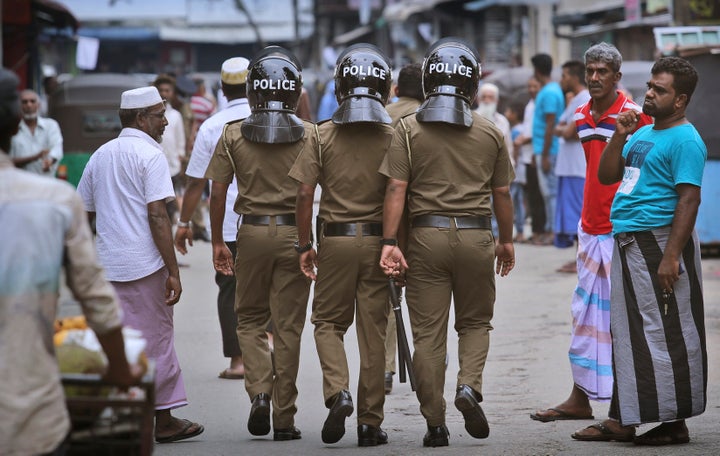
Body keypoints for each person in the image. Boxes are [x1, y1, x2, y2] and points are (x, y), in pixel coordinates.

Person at [379, 37, 515, 447]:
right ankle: (469, 386)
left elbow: (396, 190)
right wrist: (506, 242)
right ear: (473, 87)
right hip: (476, 237)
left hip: (425, 238)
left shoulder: (407, 129)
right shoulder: (490, 132)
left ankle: (435, 422)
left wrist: (390, 242)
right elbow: (503, 195)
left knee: (428, 336)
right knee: (475, 322)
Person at [0, 67, 140, 456]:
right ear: (15, 121)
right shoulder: (54, 201)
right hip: (30, 412)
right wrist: (119, 367)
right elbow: (95, 297)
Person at [574, 56, 707, 445]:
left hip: (659, 243)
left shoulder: (685, 139)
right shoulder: (643, 132)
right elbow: (608, 175)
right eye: (650, 86)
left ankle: (674, 421)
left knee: (667, 332)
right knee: (630, 333)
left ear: (680, 100)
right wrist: (619, 134)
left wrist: (670, 258)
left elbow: (689, 200)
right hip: (629, 242)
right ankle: (622, 418)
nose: (649, 93)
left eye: (659, 90)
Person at [531, 42, 652, 425]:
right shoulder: (582, 115)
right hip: (590, 227)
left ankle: (621, 406)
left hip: (622, 229)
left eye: (603, 72)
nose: (595, 77)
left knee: (620, 319)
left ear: (617, 77)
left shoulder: (635, 117)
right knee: (584, 316)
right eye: (591, 71)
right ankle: (580, 397)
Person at [76, 86, 204, 444]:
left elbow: (83, 211)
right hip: (145, 266)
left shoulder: (101, 154)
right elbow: (157, 215)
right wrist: (174, 271)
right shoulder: (150, 155)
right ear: (140, 118)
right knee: (157, 340)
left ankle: (116, 417)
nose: (166, 121)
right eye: (160, 115)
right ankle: (163, 421)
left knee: (114, 342)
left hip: (109, 265)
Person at [205, 46, 312, 442]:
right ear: (295, 91)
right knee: (287, 327)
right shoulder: (310, 134)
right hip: (294, 234)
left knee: (248, 318)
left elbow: (217, 195)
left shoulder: (232, 133)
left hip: (248, 233)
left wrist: (218, 241)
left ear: (252, 92)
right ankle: (284, 418)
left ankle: (260, 392)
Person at [290, 43, 394, 447]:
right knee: (373, 334)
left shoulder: (321, 135)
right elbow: (400, 193)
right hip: (378, 243)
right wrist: (394, 244)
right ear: (384, 90)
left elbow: (303, 195)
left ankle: (338, 392)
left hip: (333, 241)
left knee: (327, 324)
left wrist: (304, 246)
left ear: (338, 89)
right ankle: (370, 424)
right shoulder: (393, 135)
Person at [175, 57, 251, 380]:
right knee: (271, 285)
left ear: (222, 88)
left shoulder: (211, 126)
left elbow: (195, 182)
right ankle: (270, 346)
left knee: (230, 288)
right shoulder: (272, 119)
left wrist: (183, 223)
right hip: (272, 219)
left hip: (228, 223)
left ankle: (238, 362)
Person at [382, 62, 423, 395]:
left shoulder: (383, 114)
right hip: (425, 216)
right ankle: (428, 361)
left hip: (388, 213)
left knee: (387, 291)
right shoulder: (434, 117)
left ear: (396, 89)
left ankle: (386, 366)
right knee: (427, 295)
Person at [552, 60, 590, 263]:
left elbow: (567, 132)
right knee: (573, 213)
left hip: (577, 168)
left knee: (578, 215)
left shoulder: (584, 99)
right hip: (568, 167)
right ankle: (579, 258)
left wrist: (562, 129)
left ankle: (582, 258)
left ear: (575, 77)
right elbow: (563, 127)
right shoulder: (574, 100)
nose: (562, 80)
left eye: (565, 75)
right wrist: (562, 128)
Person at [530, 53, 565, 244]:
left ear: (537, 70)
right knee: (549, 192)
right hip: (545, 149)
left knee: (550, 192)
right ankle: (551, 229)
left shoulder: (550, 92)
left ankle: (553, 231)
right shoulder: (550, 89)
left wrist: (543, 155)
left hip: (548, 151)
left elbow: (551, 124)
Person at [154, 74, 187, 223]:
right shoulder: (151, 115)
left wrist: (180, 156)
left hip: (172, 165)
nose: (164, 93)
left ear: (172, 93)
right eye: (161, 90)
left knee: (172, 200)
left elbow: (181, 140)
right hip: (154, 165)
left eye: (167, 90)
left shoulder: (175, 116)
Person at [9, 89, 63, 177]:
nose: (29, 105)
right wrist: (35, 157)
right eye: (24, 102)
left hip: (46, 184)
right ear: (19, 106)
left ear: (38, 105)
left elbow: (57, 149)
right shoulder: (12, 129)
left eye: (32, 101)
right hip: (21, 185)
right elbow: (9, 161)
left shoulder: (51, 125)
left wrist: (50, 161)